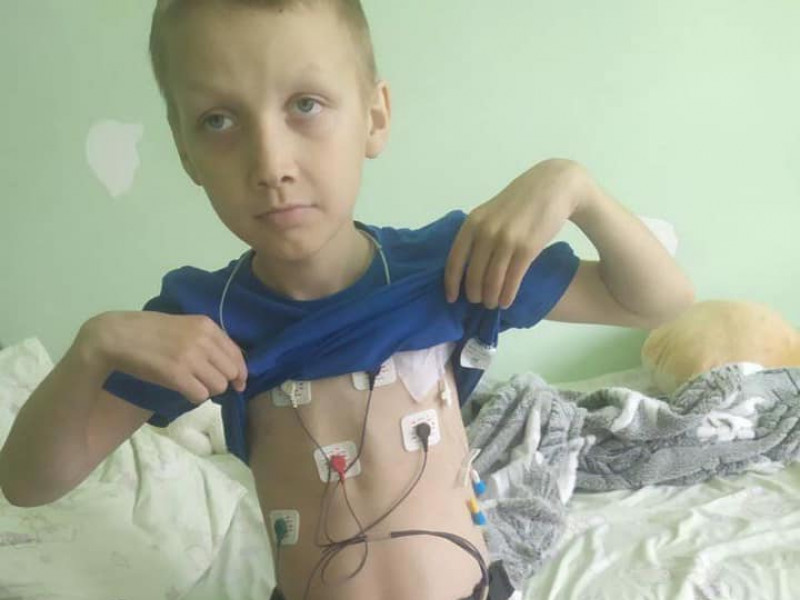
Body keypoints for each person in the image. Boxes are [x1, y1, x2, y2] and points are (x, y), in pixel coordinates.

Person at [0, 1, 694, 599]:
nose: (271, 164)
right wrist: (92, 350)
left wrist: (574, 187)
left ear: (374, 117)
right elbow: (27, 484)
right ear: (185, 153)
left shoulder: (452, 267)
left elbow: (658, 304)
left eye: (305, 104)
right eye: (218, 121)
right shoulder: (204, 320)